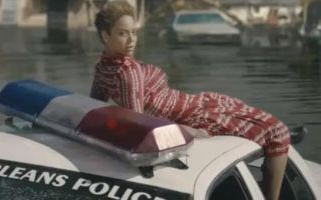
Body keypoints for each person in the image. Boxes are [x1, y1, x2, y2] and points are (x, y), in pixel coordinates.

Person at [90, 1, 290, 200]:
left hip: (193, 104)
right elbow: (141, 124)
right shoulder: (128, 71)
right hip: (191, 114)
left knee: (246, 112)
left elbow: (93, 106)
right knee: (278, 131)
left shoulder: (102, 66)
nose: (131, 40)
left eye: (134, 32)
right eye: (123, 33)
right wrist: (184, 130)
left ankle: (267, 169)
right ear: (106, 35)